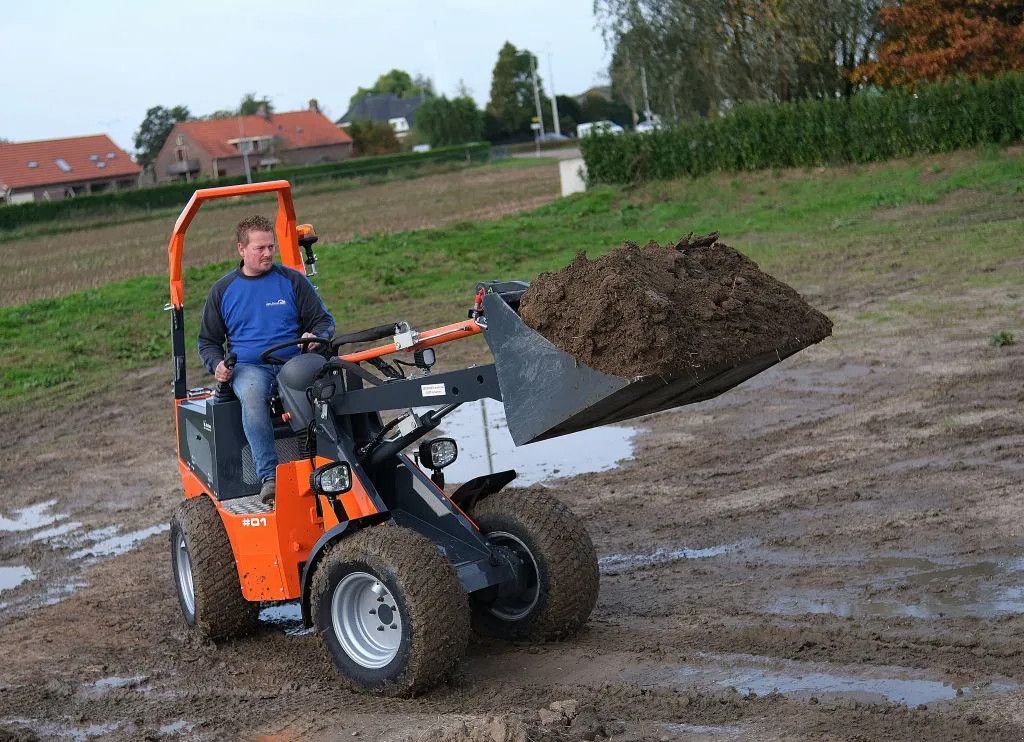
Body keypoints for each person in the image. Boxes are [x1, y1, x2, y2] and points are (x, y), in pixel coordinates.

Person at [198, 215, 335, 505]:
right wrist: (217, 365)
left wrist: (315, 333)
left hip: (293, 361)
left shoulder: (292, 281)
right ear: (241, 249)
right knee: (251, 393)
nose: (268, 253)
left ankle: (326, 463)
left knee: (327, 388)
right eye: (260, 248)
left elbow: (324, 322)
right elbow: (208, 342)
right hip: (250, 368)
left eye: (271, 247)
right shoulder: (223, 291)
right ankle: (269, 477)